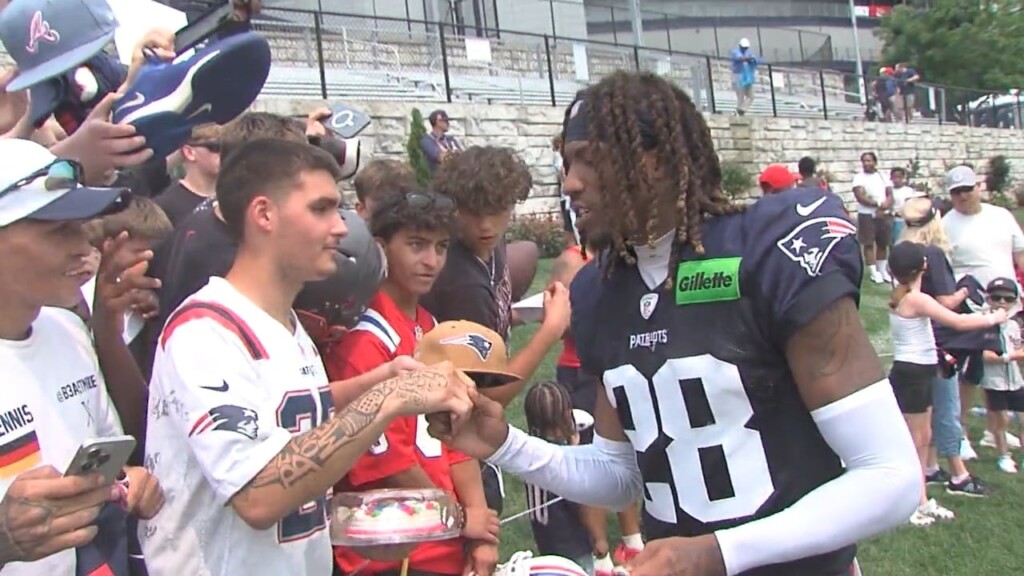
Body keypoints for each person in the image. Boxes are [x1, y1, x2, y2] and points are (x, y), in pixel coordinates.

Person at [430, 71, 919, 576]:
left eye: (590, 159)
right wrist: (504, 443)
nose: (570, 180)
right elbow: (621, 474)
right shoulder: (599, 292)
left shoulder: (766, 252)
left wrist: (719, 553)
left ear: (656, 162)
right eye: (567, 161)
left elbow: (892, 476)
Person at [140, 139, 473, 574]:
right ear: (264, 215)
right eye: (322, 209)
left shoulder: (285, 324)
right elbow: (258, 495)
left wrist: (381, 380)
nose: (341, 227)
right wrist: (389, 398)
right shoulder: (206, 331)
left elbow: (286, 410)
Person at [0, 138, 165, 575]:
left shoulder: (69, 330)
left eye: (81, 225)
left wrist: (127, 484)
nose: (84, 247)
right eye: (59, 230)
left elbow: (110, 457)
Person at [325, 190, 500, 576]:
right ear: (381, 247)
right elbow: (385, 460)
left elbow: (459, 439)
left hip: (447, 538)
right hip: (391, 552)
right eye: (416, 245)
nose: (431, 261)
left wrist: (477, 524)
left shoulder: (433, 329)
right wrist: (455, 517)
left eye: (440, 247)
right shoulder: (364, 340)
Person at [425, 146, 572, 514]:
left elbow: (492, 320)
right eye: (473, 213)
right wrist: (550, 331)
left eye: (497, 210)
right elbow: (485, 401)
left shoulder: (488, 245)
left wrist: (524, 314)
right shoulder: (461, 281)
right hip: (453, 445)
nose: (486, 224)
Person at [885, 241, 1001, 526]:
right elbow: (958, 322)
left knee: (922, 440)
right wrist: (996, 317)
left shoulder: (908, 294)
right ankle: (910, 503)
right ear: (923, 266)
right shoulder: (915, 299)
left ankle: (921, 500)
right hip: (912, 375)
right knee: (915, 442)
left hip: (919, 373)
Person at [550, 234, 644, 574]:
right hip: (582, 372)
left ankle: (633, 542)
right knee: (592, 459)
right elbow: (557, 323)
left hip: (622, 367)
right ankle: (600, 553)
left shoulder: (628, 252)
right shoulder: (573, 260)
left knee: (626, 453)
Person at [897, 197, 987, 497]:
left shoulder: (903, 253)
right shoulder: (931, 253)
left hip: (919, 345)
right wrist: (966, 288)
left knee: (929, 409)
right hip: (939, 342)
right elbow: (947, 303)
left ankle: (932, 467)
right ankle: (958, 474)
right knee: (947, 405)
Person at [942, 165, 1024, 458]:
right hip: (972, 309)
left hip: (1009, 306)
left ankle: (995, 429)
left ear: (978, 187)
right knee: (969, 373)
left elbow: (1019, 254)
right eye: (956, 192)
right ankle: (960, 431)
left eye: (967, 189)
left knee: (1003, 369)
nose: (963, 196)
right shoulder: (946, 224)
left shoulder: (1001, 216)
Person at [522, 381, 593, 573]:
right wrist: (599, 538)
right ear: (565, 413)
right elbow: (583, 503)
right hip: (572, 542)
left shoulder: (529, 450)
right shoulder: (563, 459)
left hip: (545, 537)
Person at [978, 277, 1024, 473]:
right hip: (994, 382)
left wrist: (1007, 356)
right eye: (997, 298)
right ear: (988, 299)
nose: (1002, 303)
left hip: (1015, 380)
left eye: (1007, 299)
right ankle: (1004, 456)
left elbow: (1020, 350)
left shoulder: (1013, 325)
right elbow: (986, 355)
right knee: (1001, 420)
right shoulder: (981, 323)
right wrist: (1008, 357)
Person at [852, 151, 894, 284]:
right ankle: (873, 272)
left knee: (883, 243)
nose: (866, 163)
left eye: (869, 160)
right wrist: (877, 204)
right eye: (864, 161)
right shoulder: (859, 177)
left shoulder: (882, 176)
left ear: (875, 162)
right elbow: (860, 196)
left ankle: (882, 270)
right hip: (866, 214)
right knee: (869, 243)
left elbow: (889, 194)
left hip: (883, 214)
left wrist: (885, 206)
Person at [419, 109, 461, 177]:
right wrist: (454, 153)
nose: (448, 123)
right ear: (438, 122)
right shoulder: (427, 140)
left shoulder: (450, 140)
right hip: (437, 180)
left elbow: (462, 158)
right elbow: (442, 158)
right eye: (445, 121)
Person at [730, 38, 759, 116]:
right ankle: (738, 112)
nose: (745, 49)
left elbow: (754, 60)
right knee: (740, 96)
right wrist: (748, 59)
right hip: (738, 76)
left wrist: (752, 59)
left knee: (751, 96)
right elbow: (739, 58)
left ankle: (741, 110)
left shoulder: (748, 53)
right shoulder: (735, 52)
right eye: (743, 47)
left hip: (747, 77)